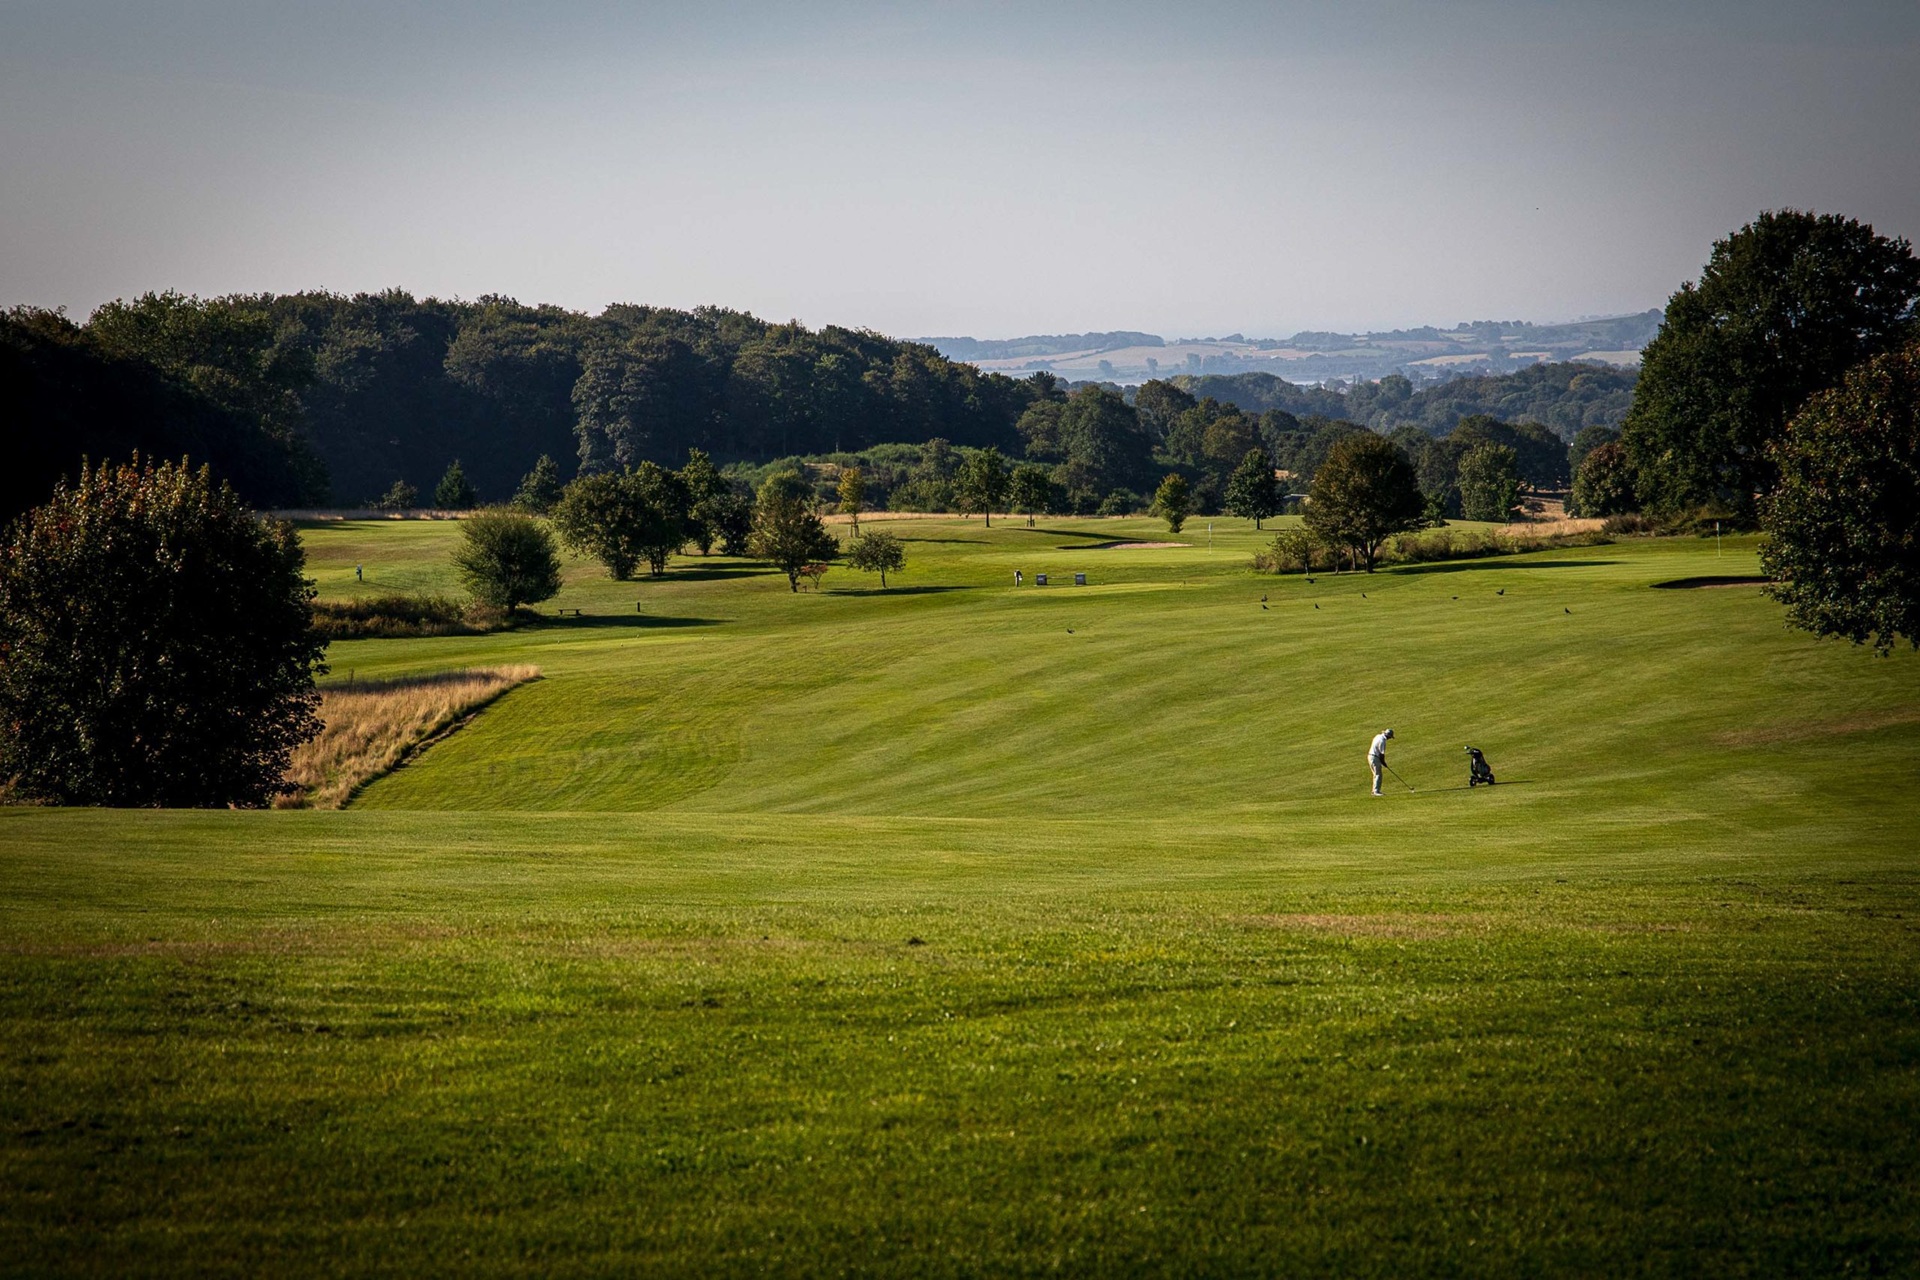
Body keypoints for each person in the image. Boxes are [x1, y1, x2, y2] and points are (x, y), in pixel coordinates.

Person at [1368, 728, 1394, 796]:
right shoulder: (1383, 741)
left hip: (1370, 756)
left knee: (1375, 774)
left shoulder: (1377, 736)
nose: (1389, 739)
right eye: (1390, 737)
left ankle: (1374, 791)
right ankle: (1376, 791)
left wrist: (1382, 762)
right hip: (1375, 757)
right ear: (1388, 736)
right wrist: (1384, 763)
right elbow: (1381, 754)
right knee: (1378, 774)